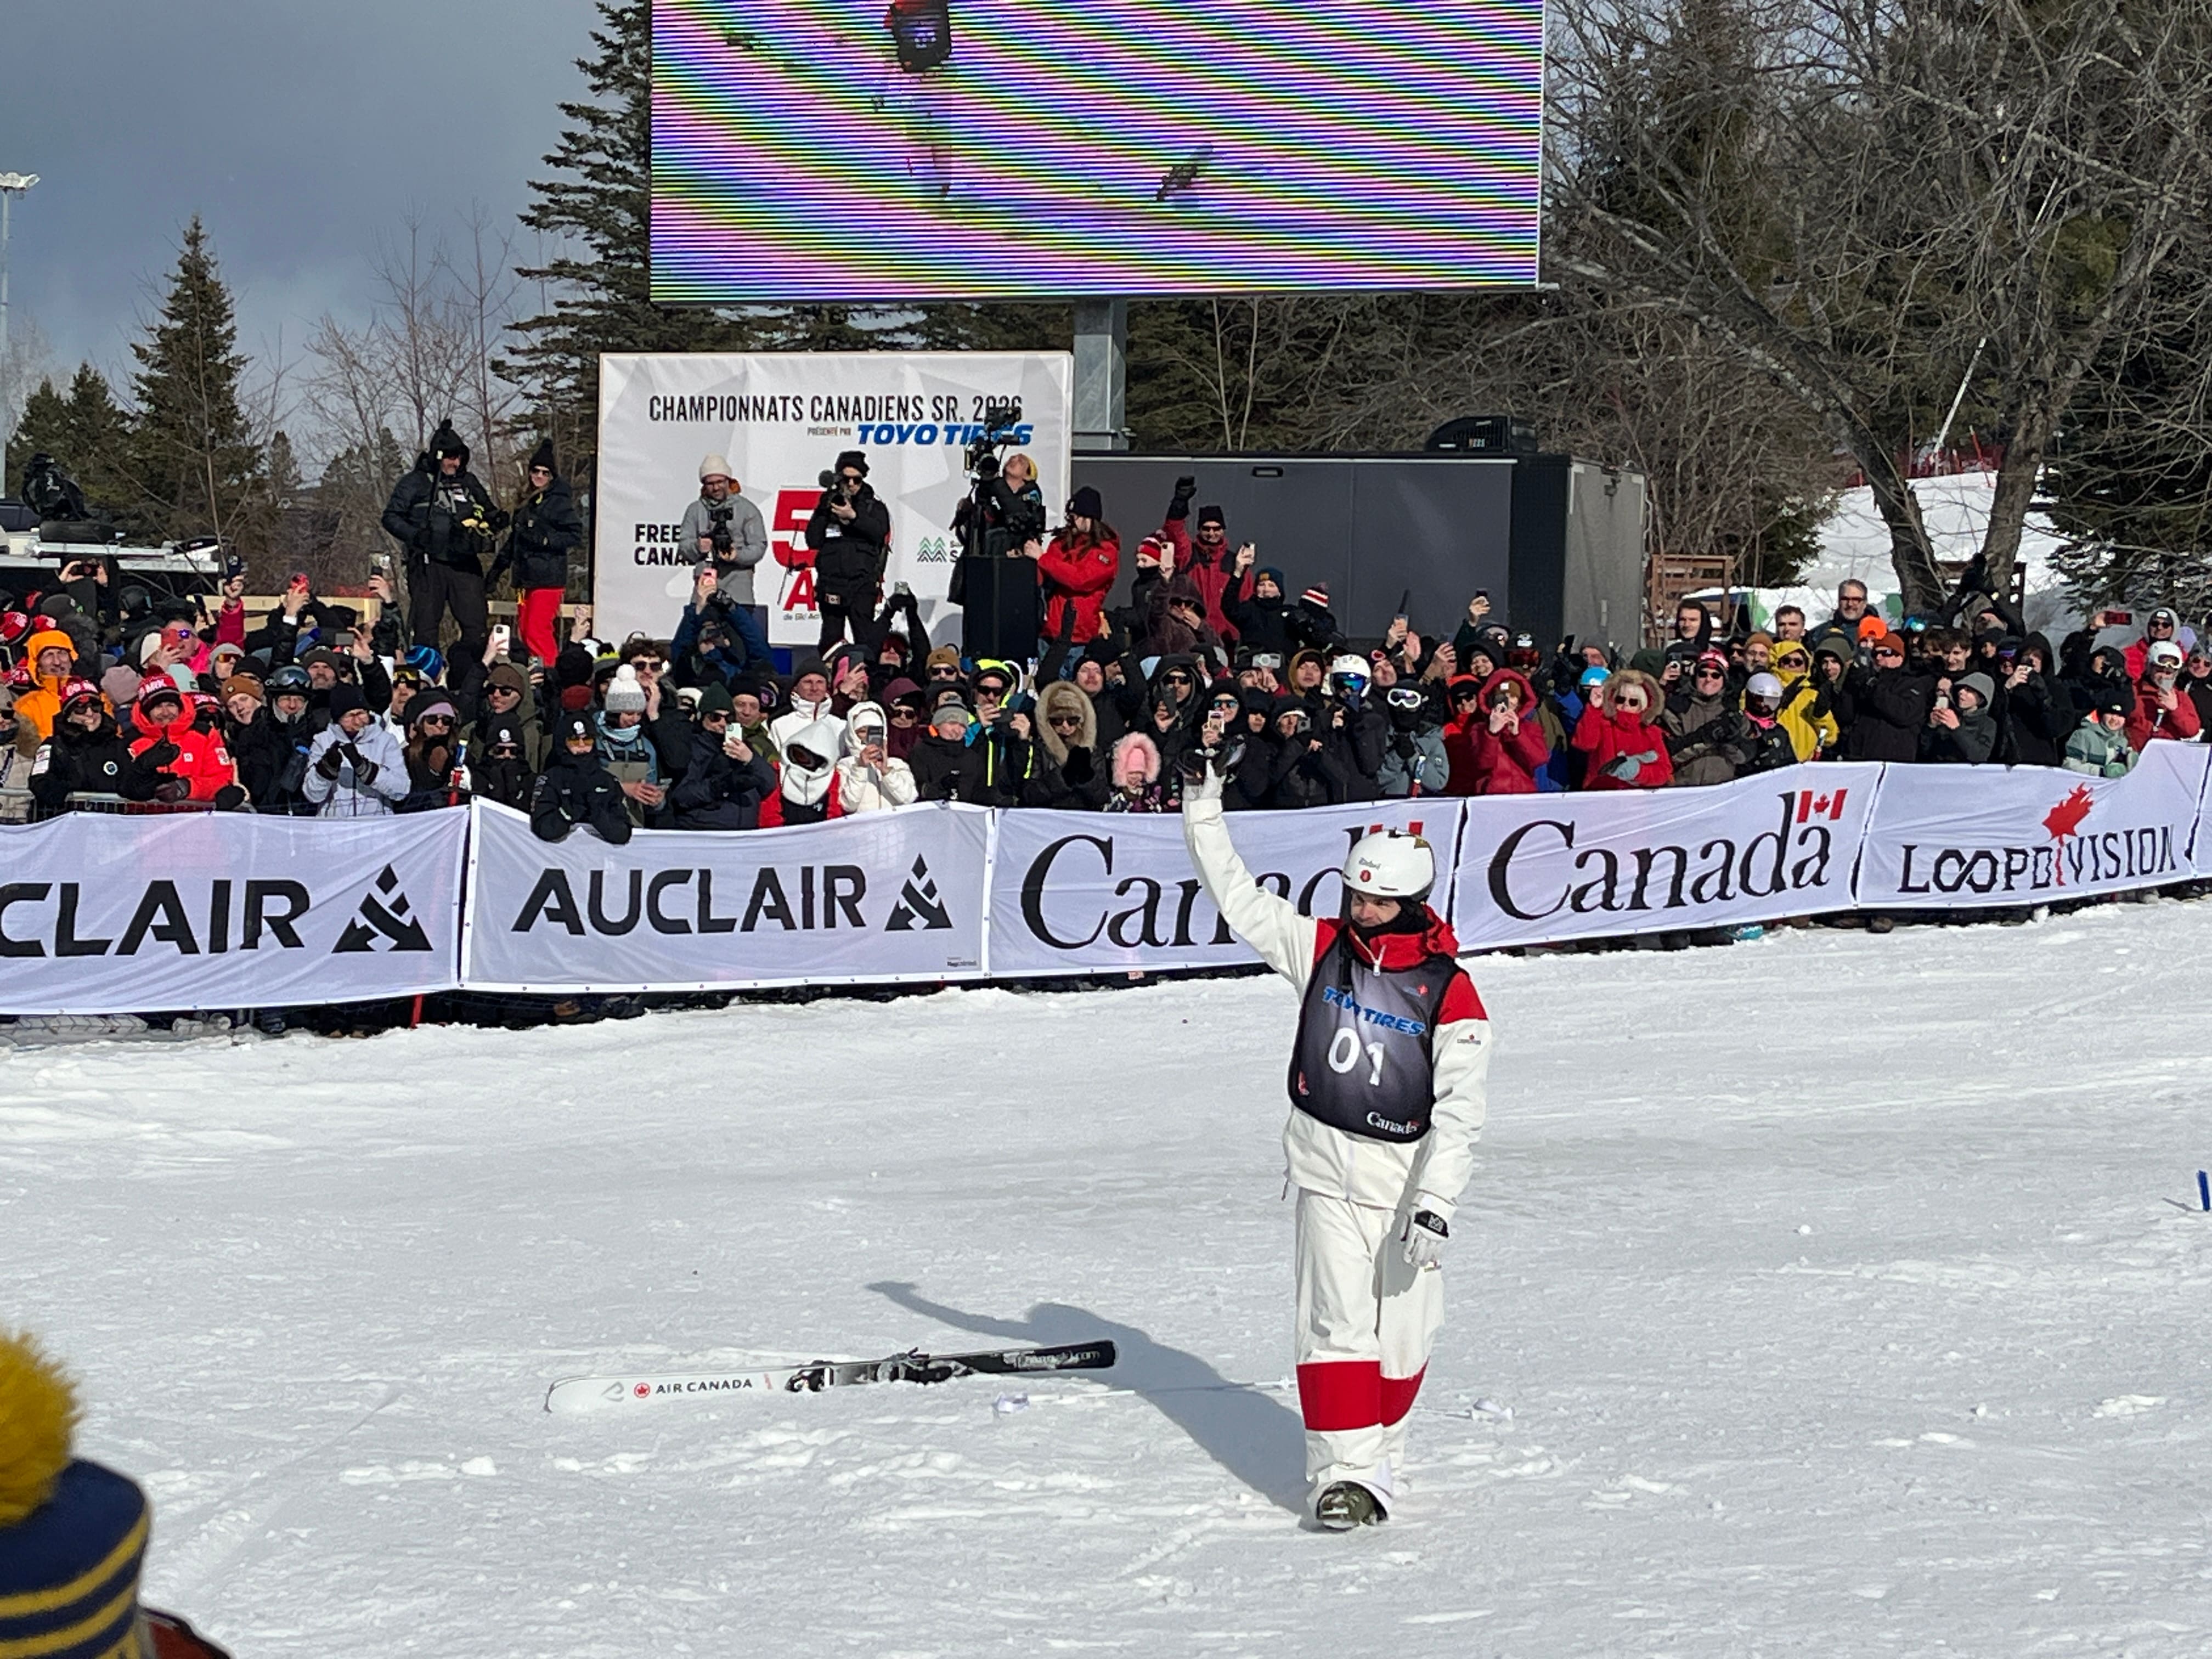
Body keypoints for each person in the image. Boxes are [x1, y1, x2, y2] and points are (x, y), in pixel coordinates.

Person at [1180, 760, 1490, 1530]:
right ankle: (1343, 1477)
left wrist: (1437, 1204)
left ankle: (1381, 1452)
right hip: (1324, 1177)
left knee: (1407, 1339)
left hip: (1405, 1187)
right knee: (1334, 1327)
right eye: (1355, 894)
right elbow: (1238, 898)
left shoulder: (1453, 991)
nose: (1362, 909)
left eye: (1378, 899)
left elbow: (1462, 1112)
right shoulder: (1320, 949)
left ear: (1413, 904)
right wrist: (1202, 803)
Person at [381, 420, 506, 663]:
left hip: (465, 563)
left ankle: (468, 670)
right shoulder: (415, 482)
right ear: (438, 456)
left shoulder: (468, 482)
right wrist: (415, 535)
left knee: (475, 624)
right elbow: (390, 517)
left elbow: (488, 511)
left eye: (459, 458)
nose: (456, 464)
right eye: (451, 458)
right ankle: (427, 673)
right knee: (426, 625)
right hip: (428, 563)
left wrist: (497, 520)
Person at [492, 439, 584, 664]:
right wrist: (497, 571)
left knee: (537, 630)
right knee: (525, 630)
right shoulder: (526, 503)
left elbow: (575, 534)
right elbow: (515, 540)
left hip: (547, 577)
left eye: (545, 473)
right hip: (526, 578)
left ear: (552, 476)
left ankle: (550, 673)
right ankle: (536, 672)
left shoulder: (558, 502)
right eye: (536, 471)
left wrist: (545, 540)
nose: (539, 476)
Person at [806, 449, 893, 653]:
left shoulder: (874, 506)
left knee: (865, 640)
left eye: (857, 480)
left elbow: (879, 533)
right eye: (847, 479)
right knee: (830, 640)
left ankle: (869, 681)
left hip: (861, 584)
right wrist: (823, 511)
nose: (852, 485)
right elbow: (813, 540)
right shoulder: (828, 504)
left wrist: (853, 517)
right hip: (831, 583)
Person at [670, 685, 777, 830]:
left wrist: (751, 759)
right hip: (704, 832)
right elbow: (681, 796)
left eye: (729, 718)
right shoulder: (692, 747)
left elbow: (769, 784)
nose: (722, 723)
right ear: (702, 718)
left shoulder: (743, 746)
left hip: (743, 834)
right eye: (715, 717)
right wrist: (722, 785)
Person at [1028, 486, 1120, 647]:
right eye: (1071, 516)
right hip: (1050, 632)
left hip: (1080, 636)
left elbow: (1081, 580)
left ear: (1090, 518)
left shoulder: (1106, 550)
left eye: (1077, 516)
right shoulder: (1060, 544)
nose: (1072, 521)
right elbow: (1040, 579)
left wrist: (1043, 559)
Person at [303, 684, 410, 817]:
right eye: (350, 716)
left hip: (376, 829)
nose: (357, 720)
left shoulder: (385, 741)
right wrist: (325, 771)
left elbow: (401, 790)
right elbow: (313, 795)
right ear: (338, 718)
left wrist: (368, 771)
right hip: (334, 830)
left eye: (361, 714)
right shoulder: (322, 741)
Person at [681, 453, 770, 603]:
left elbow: (759, 546)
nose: (716, 488)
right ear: (704, 485)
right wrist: (698, 546)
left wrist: (736, 555)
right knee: (698, 626)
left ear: (729, 480)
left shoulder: (747, 509)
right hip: (704, 589)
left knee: (739, 627)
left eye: (720, 481)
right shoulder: (695, 510)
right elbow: (684, 545)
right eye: (710, 483)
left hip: (739, 590)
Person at [533, 711, 634, 843]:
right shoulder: (551, 779)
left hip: (599, 859)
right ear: (563, 742)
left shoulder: (607, 780)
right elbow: (545, 829)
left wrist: (596, 811)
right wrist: (572, 809)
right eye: (574, 740)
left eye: (587, 739)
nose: (582, 745)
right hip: (561, 858)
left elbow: (622, 834)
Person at [1572, 670, 1673, 789]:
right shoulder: (1602, 723)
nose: (1626, 705)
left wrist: (1638, 772)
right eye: (1621, 699)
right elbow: (1584, 744)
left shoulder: (1651, 732)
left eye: (1633, 702)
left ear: (1643, 705)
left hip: (1637, 799)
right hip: (1601, 795)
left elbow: (1664, 772)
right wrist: (1594, 709)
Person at [834, 700, 919, 814]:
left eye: (874, 731)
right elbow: (849, 805)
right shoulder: (845, 766)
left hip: (893, 828)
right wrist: (860, 768)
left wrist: (886, 771)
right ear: (853, 734)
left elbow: (909, 798)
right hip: (863, 829)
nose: (868, 737)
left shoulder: (897, 764)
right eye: (863, 731)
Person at [2125, 640, 2202, 749]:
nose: (2164, 676)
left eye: (2169, 673)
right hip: (2136, 753)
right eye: (2160, 671)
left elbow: (2191, 731)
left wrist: (2176, 709)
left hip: (2167, 755)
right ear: (2149, 669)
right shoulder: (2133, 692)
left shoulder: (2180, 697)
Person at [2064, 685, 2138, 776]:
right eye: (2110, 713)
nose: (2114, 719)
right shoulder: (2084, 735)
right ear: (2102, 715)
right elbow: (2069, 765)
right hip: (2087, 787)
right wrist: (2101, 772)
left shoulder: (2123, 741)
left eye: (2120, 716)